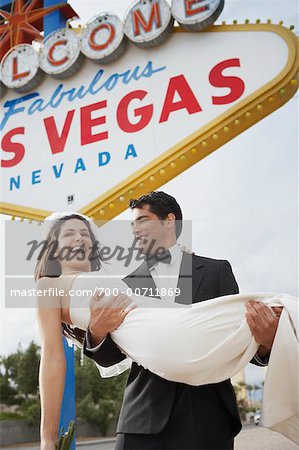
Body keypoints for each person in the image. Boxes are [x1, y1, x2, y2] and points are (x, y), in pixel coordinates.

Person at [83, 191, 282, 450]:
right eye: (132, 224)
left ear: (169, 221)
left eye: (143, 220)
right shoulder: (124, 285)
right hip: (142, 417)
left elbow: (240, 337)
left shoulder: (216, 271)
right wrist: (96, 332)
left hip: (207, 416)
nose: (135, 230)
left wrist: (266, 343)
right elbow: (111, 357)